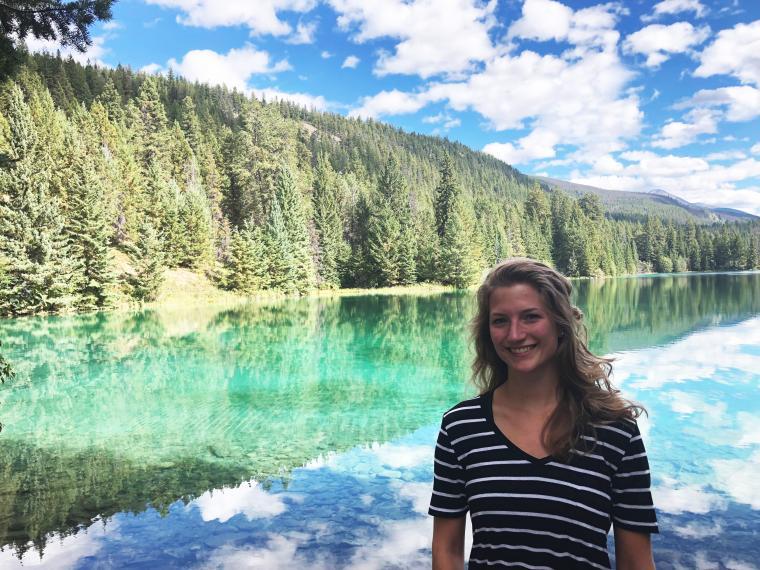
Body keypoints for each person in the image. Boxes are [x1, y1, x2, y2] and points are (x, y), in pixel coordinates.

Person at [429, 258, 658, 570]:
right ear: (487, 331)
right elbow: (446, 550)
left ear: (559, 324)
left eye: (530, 317)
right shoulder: (460, 428)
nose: (514, 334)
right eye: (499, 321)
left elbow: (636, 563)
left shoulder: (614, 430)